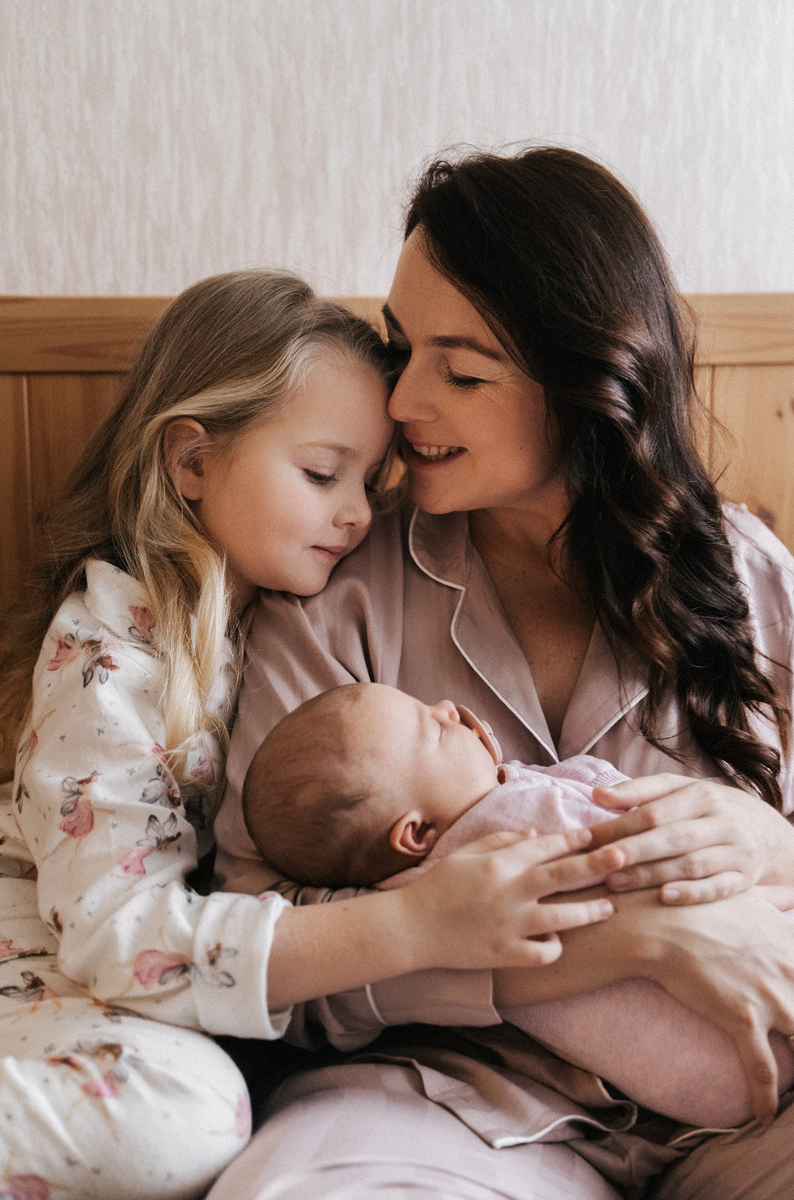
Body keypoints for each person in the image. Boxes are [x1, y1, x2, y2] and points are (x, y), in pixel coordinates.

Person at [212, 146, 794, 1200]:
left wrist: (766, 839)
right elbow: (259, 948)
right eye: (399, 349)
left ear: (586, 386)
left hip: (746, 1100)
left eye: (461, 369)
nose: (399, 401)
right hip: (435, 1102)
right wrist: (615, 946)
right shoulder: (337, 589)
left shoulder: (748, 579)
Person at [0, 267, 621, 1200]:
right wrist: (413, 923)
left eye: (370, 481)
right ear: (193, 462)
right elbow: (114, 939)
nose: (360, 513)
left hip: (134, 986)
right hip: (42, 961)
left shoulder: (267, 620)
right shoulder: (111, 659)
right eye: (323, 475)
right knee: (188, 1112)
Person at [242, 680, 794, 1129]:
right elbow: (627, 822)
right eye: (431, 731)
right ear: (415, 832)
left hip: (710, 1093)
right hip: (742, 1013)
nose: (448, 708)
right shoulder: (514, 820)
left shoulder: (408, 897)